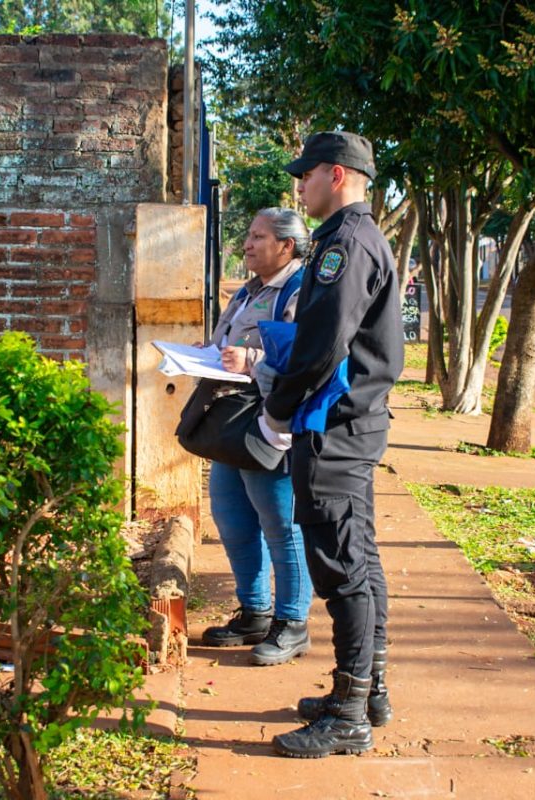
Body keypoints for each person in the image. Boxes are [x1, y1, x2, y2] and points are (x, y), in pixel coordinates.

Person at [256, 131, 404, 758]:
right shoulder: (353, 239)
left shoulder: (346, 244)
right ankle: (367, 689)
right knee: (359, 557)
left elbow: (323, 343)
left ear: (337, 175)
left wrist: (279, 407)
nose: (300, 186)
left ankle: (348, 715)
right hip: (350, 421)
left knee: (342, 564)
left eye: (307, 175)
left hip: (333, 422)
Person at [199, 208, 315, 667]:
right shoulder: (248, 291)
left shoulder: (300, 290)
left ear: (286, 245)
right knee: (230, 512)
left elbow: (302, 353)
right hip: (233, 422)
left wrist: (248, 360)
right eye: (247, 236)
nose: (246, 244)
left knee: (281, 524)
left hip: (271, 421)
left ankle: (293, 623)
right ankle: (255, 612)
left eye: (257, 236)